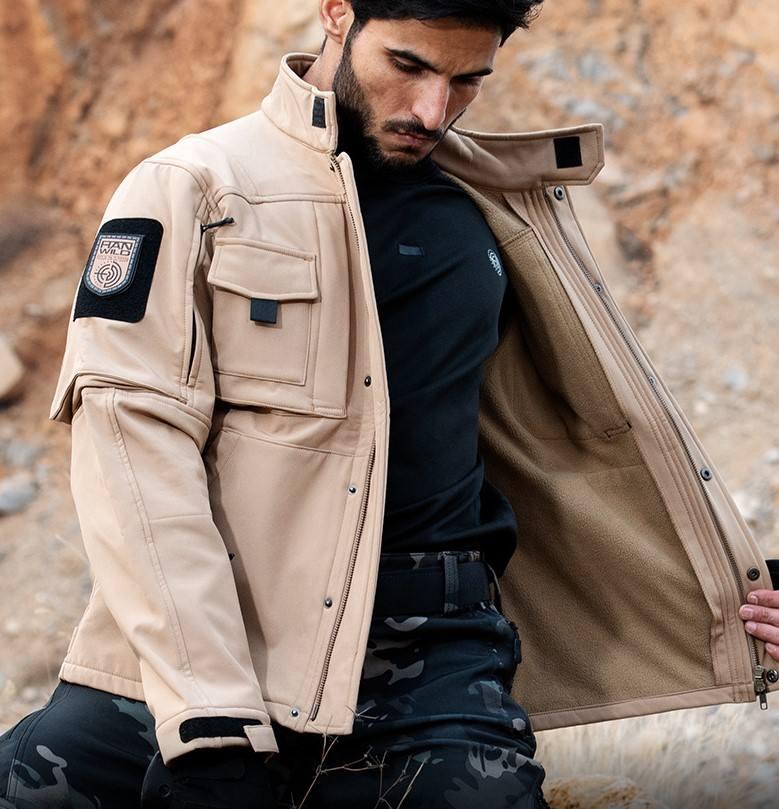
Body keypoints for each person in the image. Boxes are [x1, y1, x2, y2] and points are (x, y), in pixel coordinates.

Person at [2, 1, 779, 807]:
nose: (432, 111)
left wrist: (731, 581)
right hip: (206, 643)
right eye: (408, 66)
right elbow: (134, 452)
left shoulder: (491, 207)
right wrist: (210, 721)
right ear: (336, 12)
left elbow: (569, 455)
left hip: (429, 658)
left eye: (466, 80)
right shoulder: (192, 186)